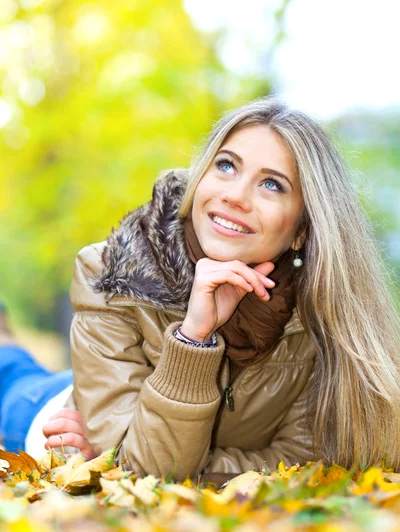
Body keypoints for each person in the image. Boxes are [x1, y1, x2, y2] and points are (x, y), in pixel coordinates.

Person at [1, 97, 400, 480]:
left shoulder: (320, 318)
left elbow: (300, 464)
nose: (235, 196)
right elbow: (141, 470)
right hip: (54, 419)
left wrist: (138, 452)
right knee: (10, 375)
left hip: (102, 422)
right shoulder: (112, 273)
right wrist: (194, 338)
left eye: (272, 185)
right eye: (226, 166)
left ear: (301, 230)